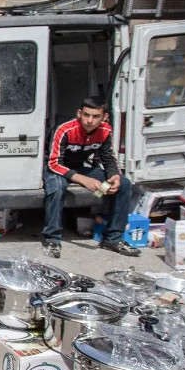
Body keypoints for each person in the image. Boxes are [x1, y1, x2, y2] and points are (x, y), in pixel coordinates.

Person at [43, 96, 139, 259]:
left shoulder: (105, 131)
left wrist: (114, 175)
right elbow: (53, 163)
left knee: (124, 184)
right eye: (86, 115)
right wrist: (83, 180)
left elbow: (108, 158)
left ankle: (113, 239)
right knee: (58, 187)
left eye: (95, 116)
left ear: (104, 117)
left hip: (79, 168)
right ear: (79, 113)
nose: (89, 120)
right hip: (56, 169)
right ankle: (52, 239)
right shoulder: (65, 129)